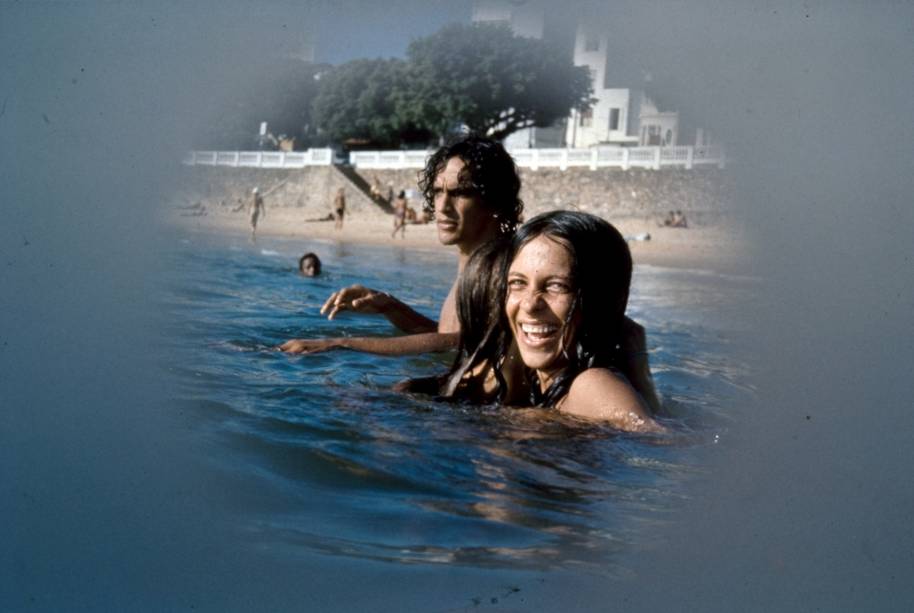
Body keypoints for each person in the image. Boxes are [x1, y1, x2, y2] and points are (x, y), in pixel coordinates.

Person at [277, 137, 659, 413]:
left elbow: (462, 341)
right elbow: (463, 335)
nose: (441, 206)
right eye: (437, 192)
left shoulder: (508, 268)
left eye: (460, 193)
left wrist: (345, 345)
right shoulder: (478, 269)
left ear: (496, 202)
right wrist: (392, 309)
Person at [498, 211, 662, 431]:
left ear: (599, 300)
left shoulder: (592, 385)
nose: (529, 305)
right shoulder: (542, 381)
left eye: (557, 286)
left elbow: (660, 441)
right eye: (518, 282)